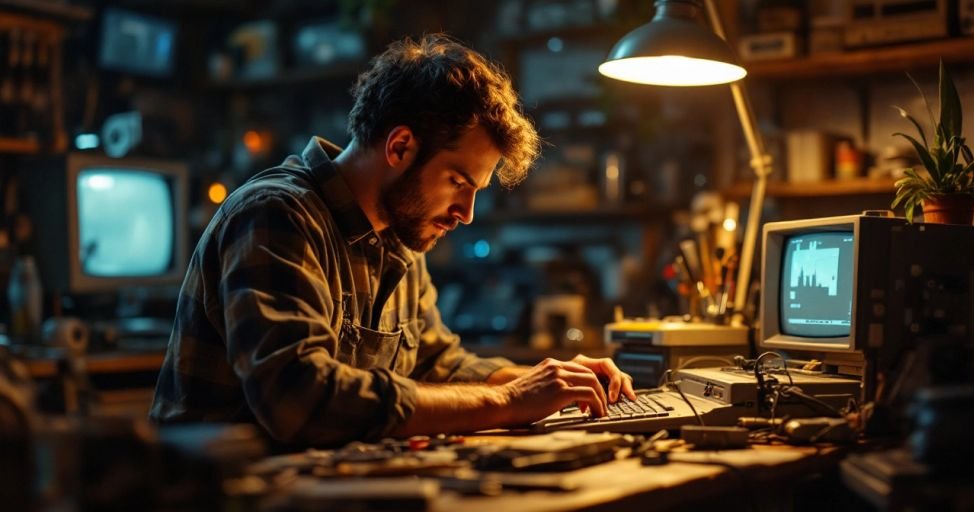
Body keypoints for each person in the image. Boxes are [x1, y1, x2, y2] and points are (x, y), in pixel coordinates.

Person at [150, 34, 635, 446]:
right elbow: (299, 398)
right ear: (400, 146)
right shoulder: (277, 215)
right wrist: (507, 400)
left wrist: (551, 382)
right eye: (459, 183)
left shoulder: (399, 236)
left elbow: (437, 362)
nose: (465, 215)